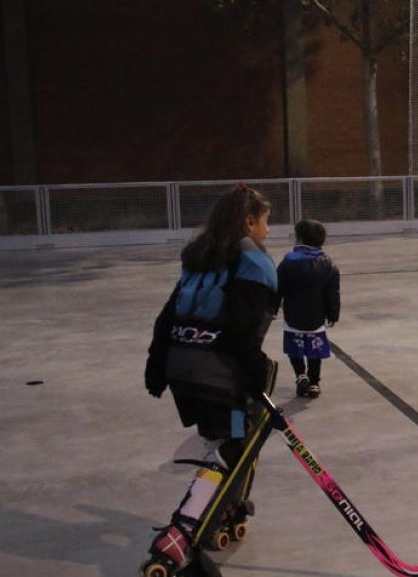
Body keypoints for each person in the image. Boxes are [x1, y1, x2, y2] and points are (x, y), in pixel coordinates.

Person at [142, 184, 279, 576]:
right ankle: (180, 536)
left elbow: (168, 316)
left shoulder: (201, 255)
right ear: (249, 220)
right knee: (232, 448)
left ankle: (223, 506)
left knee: (222, 442)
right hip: (219, 374)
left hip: (184, 369)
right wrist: (255, 377)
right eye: (266, 220)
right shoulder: (252, 260)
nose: (269, 228)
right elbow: (244, 329)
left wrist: (157, 366)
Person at [277, 219, 341, 398]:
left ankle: (300, 375)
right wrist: (333, 313)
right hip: (316, 316)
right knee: (315, 348)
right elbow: (333, 292)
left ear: (300, 239)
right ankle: (314, 382)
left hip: (293, 314)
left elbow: (278, 287)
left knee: (295, 346)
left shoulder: (288, 262)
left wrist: (272, 308)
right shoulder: (328, 265)